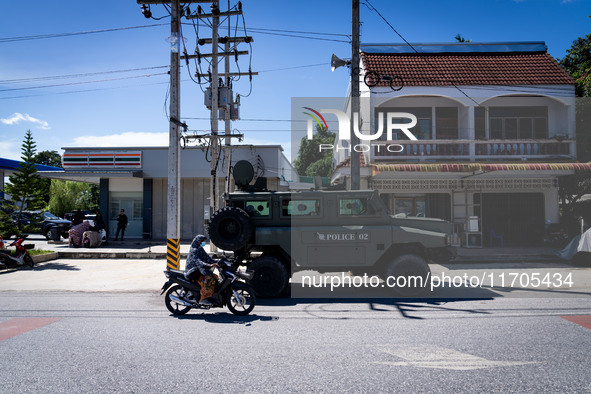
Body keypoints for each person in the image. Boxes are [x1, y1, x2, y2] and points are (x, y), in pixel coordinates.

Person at [184, 234, 218, 306]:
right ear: (199, 241)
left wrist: (218, 262)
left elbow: (208, 259)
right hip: (193, 271)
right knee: (209, 280)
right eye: (203, 241)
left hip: (198, 270)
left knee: (215, 277)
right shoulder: (194, 250)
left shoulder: (200, 248)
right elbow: (198, 262)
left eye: (204, 241)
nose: (204, 243)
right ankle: (203, 299)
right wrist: (209, 265)